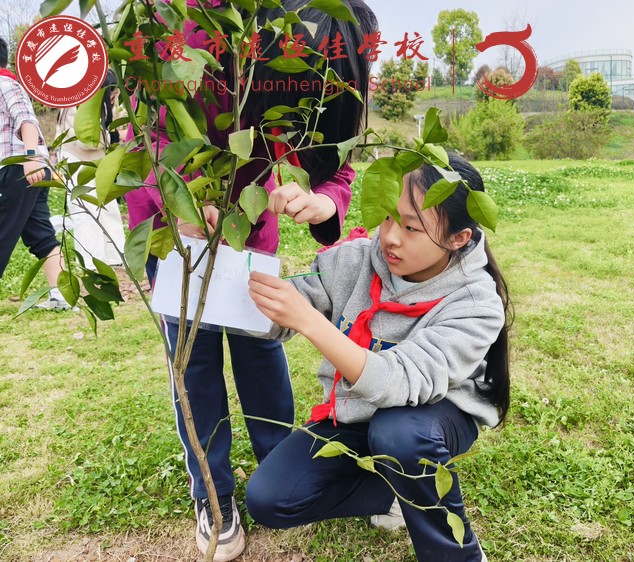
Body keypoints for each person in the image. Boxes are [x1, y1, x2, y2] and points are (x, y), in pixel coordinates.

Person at [123, 1, 377, 560]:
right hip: (179, 237)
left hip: (249, 237)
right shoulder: (190, 30)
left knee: (262, 350)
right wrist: (179, 196)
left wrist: (323, 197)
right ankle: (212, 495)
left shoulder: (325, 63)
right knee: (195, 365)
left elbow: (333, 156)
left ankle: (278, 468)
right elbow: (144, 133)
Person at [246, 154, 511, 562]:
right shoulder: (353, 260)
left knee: (399, 434)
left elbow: (399, 382)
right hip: (356, 413)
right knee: (270, 499)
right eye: (388, 216)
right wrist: (232, 261)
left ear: (458, 238)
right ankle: (396, 489)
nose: (390, 237)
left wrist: (311, 324)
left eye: (411, 227)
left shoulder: (476, 303)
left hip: (433, 416)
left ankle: (459, 555)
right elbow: (285, 313)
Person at [0, 37, 71, 310]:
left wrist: (30, 157)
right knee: (41, 236)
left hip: (19, 169)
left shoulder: (6, 84)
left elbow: (27, 120)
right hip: (28, 171)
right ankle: (62, 296)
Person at [56, 70, 126, 269]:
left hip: (99, 161)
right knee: (84, 210)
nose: (114, 97)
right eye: (112, 93)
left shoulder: (109, 102)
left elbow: (116, 122)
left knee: (108, 206)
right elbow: (88, 141)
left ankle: (115, 255)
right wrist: (115, 136)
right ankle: (91, 260)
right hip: (75, 160)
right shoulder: (78, 104)